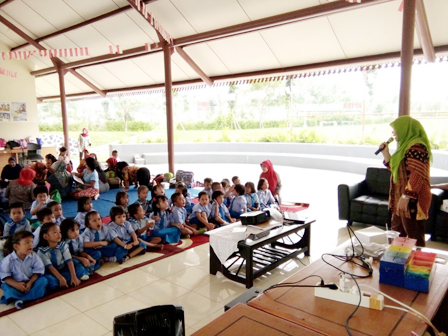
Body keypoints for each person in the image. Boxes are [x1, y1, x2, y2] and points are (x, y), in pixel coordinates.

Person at [379, 116, 432, 247]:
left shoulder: (416, 146)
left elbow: (417, 174)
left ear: (405, 129)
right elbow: (396, 170)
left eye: (395, 130)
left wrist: (407, 196)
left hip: (412, 199)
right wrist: (385, 153)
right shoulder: (404, 147)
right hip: (400, 197)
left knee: (414, 236)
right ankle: (396, 263)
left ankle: (418, 264)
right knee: (397, 234)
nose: (393, 134)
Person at [0, 231, 48, 310]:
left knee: (43, 280)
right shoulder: (8, 260)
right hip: (15, 284)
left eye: (32, 242)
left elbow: (37, 271)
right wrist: (17, 285)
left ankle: (21, 300)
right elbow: (5, 277)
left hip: (30, 282)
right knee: (7, 288)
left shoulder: (34, 256)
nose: (31, 245)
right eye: (27, 243)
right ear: (16, 246)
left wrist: (30, 282)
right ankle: (31, 296)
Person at [37, 222, 89, 290]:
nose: (59, 234)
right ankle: (63, 281)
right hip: (51, 272)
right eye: (55, 232)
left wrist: (73, 277)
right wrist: (61, 278)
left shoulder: (63, 245)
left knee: (75, 262)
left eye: (60, 232)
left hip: (63, 268)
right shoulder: (41, 251)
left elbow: (69, 261)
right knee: (48, 279)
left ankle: (73, 278)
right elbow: (50, 267)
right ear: (46, 236)